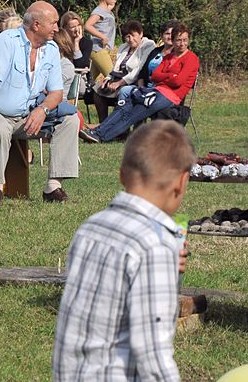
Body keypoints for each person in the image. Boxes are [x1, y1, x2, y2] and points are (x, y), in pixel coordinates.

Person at [52, 120, 194, 381]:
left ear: (121, 175)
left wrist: (164, 269)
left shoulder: (90, 228)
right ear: (181, 182)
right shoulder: (155, 245)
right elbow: (152, 352)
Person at [0, 1, 80, 204]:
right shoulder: (6, 42)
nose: (57, 28)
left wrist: (42, 110)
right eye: (53, 23)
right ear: (36, 25)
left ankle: (53, 186)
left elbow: (56, 92)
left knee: (70, 119)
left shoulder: (52, 50)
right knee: (0, 129)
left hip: (25, 116)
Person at [81, 23, 199, 143]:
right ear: (173, 41)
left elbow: (178, 81)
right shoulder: (169, 57)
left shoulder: (191, 58)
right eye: (179, 40)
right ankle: (97, 132)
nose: (182, 44)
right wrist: (171, 76)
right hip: (155, 91)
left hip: (170, 97)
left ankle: (101, 137)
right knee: (125, 106)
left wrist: (166, 77)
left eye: (185, 40)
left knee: (134, 113)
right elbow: (155, 75)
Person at [91, 20, 156, 122]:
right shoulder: (123, 47)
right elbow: (115, 67)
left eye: (133, 35)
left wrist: (119, 83)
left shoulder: (148, 45)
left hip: (135, 80)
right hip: (119, 77)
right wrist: (107, 79)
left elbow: (139, 69)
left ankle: (118, 126)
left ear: (141, 34)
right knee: (98, 89)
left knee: (122, 91)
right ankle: (103, 123)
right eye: (127, 36)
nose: (130, 39)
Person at [84, 0, 119, 83]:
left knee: (90, 82)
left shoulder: (106, 10)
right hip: (98, 50)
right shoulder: (99, 11)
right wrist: (102, 37)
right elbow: (87, 25)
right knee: (112, 77)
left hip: (102, 49)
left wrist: (110, 6)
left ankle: (88, 97)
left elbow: (107, 12)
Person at [134, 20, 178, 89]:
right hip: (146, 87)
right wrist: (141, 88)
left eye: (173, 34)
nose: (170, 37)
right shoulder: (155, 51)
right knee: (125, 91)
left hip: (164, 91)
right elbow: (142, 73)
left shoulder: (178, 54)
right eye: (167, 34)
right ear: (162, 36)